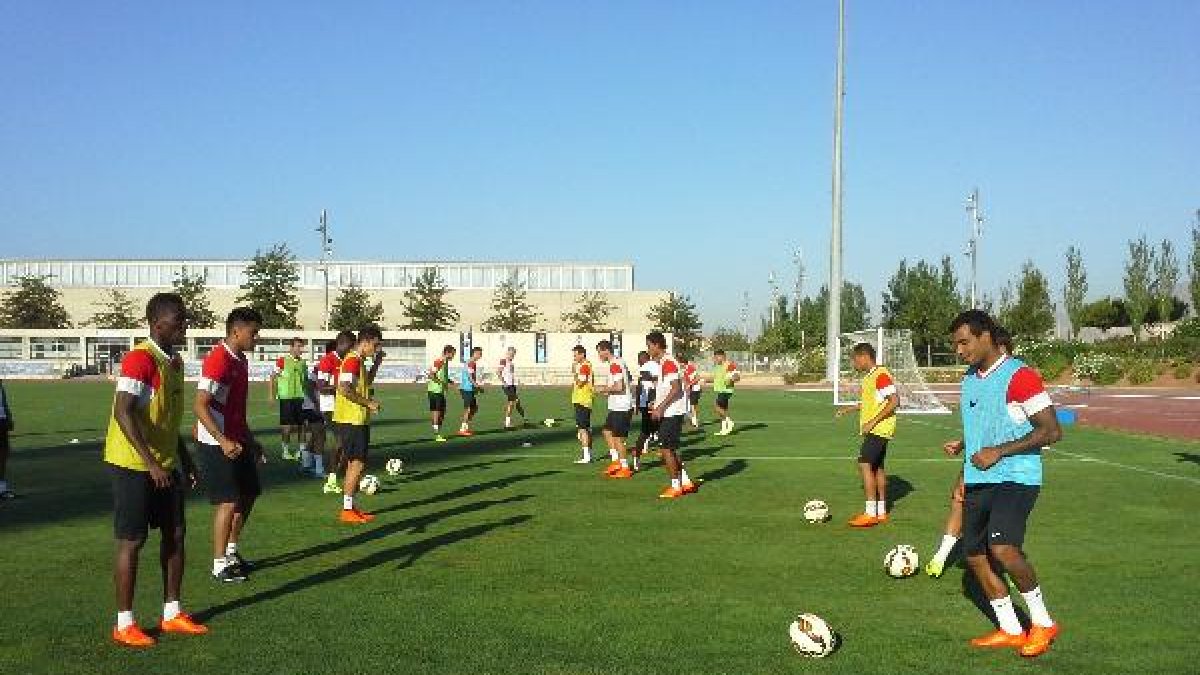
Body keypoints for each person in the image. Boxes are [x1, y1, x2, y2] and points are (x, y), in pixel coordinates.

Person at [944, 310, 1062, 658]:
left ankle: (1042, 622)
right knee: (975, 555)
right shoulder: (970, 378)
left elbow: (1052, 431)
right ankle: (1010, 628)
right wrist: (965, 452)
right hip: (979, 476)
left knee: (1003, 548)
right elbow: (986, 422)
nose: (959, 350)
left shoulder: (1020, 376)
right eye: (955, 345)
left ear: (986, 337)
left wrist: (1000, 450)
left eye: (964, 342)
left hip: (1016, 477)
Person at [104, 293, 207, 647]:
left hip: (164, 465)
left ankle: (172, 612)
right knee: (132, 541)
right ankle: (124, 623)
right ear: (158, 322)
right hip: (133, 464)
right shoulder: (140, 359)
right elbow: (123, 411)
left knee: (175, 534)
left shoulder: (174, 363)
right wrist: (149, 463)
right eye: (179, 320)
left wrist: (185, 459)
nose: (184, 325)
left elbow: (167, 422)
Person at [927, 327, 1013, 578]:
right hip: (975, 459)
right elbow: (979, 424)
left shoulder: (1012, 378)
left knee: (993, 517)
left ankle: (993, 558)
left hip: (1004, 464)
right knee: (958, 499)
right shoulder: (972, 377)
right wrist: (963, 443)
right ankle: (941, 557)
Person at [194, 307, 263, 583]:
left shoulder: (241, 360)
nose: (256, 338)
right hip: (215, 440)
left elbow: (236, 410)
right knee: (228, 501)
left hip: (237, 438)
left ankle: (232, 551)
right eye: (253, 332)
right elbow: (199, 405)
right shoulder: (218, 360)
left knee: (249, 493)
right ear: (236, 330)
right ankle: (219, 563)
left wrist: (251, 440)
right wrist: (222, 440)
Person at [836, 342, 899, 527]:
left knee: (864, 464)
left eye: (854, 360)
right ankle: (881, 511)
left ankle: (870, 513)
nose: (854, 364)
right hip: (878, 429)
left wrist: (872, 422)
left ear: (864, 357)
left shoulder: (880, 376)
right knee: (876, 468)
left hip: (879, 430)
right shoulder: (871, 377)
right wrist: (849, 409)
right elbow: (872, 402)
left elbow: (894, 401)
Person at [333, 325, 384, 524]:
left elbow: (366, 382)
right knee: (357, 463)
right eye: (376, 345)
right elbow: (345, 389)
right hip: (351, 419)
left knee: (356, 463)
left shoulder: (359, 361)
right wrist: (368, 403)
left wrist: (377, 363)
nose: (377, 349)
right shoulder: (353, 360)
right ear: (366, 341)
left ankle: (351, 507)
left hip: (357, 419)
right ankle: (347, 509)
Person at [646, 333, 699, 499]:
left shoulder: (668, 362)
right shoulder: (666, 362)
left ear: (656, 345)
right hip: (672, 411)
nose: (648, 349)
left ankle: (675, 486)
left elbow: (675, 388)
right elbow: (669, 388)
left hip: (671, 412)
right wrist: (656, 402)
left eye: (649, 345)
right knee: (671, 449)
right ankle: (686, 482)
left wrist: (660, 408)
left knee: (666, 449)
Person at [318, 332, 355, 495]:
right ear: (343, 343)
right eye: (351, 346)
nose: (352, 349)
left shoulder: (347, 360)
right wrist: (339, 388)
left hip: (344, 405)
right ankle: (331, 481)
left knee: (347, 442)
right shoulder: (328, 360)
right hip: (330, 406)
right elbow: (321, 387)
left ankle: (344, 476)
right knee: (340, 440)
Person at [596, 340, 634, 479]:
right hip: (617, 405)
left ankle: (625, 467)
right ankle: (616, 461)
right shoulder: (619, 361)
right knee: (607, 431)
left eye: (599, 351)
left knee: (618, 438)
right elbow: (628, 379)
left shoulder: (615, 364)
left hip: (621, 406)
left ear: (606, 350)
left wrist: (604, 389)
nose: (599, 355)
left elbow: (619, 387)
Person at [270, 337, 310, 461]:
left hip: (301, 397)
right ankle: (285, 451)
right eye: (298, 346)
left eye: (301, 346)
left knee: (302, 425)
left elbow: (306, 381)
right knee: (286, 426)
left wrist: (309, 397)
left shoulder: (303, 363)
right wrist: (271, 395)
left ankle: (302, 451)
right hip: (286, 397)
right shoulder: (282, 361)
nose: (300, 349)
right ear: (291, 347)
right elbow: (272, 377)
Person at [631, 351, 660, 472]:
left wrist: (637, 405)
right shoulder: (650, 367)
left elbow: (641, 386)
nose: (638, 361)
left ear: (643, 359)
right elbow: (643, 386)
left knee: (647, 431)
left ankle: (637, 458)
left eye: (639, 359)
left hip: (647, 403)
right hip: (651, 403)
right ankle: (638, 456)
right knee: (649, 430)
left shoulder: (648, 366)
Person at [570, 345, 595, 464]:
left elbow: (580, 383)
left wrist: (574, 372)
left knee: (582, 429)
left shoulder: (585, 366)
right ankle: (589, 453)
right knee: (585, 428)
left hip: (582, 400)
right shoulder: (585, 365)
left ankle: (586, 456)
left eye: (575, 355)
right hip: (583, 399)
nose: (574, 357)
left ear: (582, 354)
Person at [427, 345, 456, 442]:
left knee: (439, 412)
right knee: (437, 412)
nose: (453, 356)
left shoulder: (445, 362)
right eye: (452, 354)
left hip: (438, 390)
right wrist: (442, 383)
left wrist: (450, 381)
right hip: (435, 390)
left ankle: (436, 432)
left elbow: (442, 376)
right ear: (447, 353)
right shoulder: (439, 361)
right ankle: (437, 434)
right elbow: (431, 375)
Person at [711, 350, 741, 435]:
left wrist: (732, 379)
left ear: (722, 356)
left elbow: (737, 377)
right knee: (723, 409)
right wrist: (705, 380)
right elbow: (716, 378)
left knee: (716, 407)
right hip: (721, 390)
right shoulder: (718, 366)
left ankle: (729, 422)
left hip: (726, 390)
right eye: (714, 357)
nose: (715, 359)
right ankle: (724, 429)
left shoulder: (729, 365)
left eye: (716, 357)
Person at [497, 347, 526, 429]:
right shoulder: (503, 361)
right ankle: (507, 422)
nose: (512, 355)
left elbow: (510, 374)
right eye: (511, 353)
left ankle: (524, 418)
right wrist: (503, 382)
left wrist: (516, 382)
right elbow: (498, 372)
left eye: (513, 354)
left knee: (517, 402)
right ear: (508, 353)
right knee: (512, 402)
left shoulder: (511, 363)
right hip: (507, 385)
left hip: (512, 385)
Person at [457, 346, 483, 436]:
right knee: (468, 408)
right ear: (475, 353)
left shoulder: (471, 363)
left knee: (474, 408)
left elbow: (471, 376)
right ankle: (462, 429)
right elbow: (470, 376)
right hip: (466, 388)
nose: (481, 356)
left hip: (469, 388)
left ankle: (465, 425)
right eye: (480, 354)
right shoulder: (471, 363)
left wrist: (475, 387)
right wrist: (477, 386)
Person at [0, 378, 13, 500]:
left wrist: (9, 417)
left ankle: (2, 488)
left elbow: (4, 402)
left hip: (2, 421)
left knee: (4, 453)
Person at [682, 355, 702, 429]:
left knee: (693, 405)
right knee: (687, 406)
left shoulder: (690, 368)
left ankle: (695, 421)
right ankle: (692, 420)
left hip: (695, 389)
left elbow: (698, 377)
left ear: (683, 363)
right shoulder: (684, 369)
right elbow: (685, 379)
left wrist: (689, 384)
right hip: (690, 389)